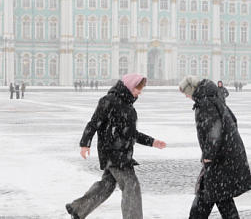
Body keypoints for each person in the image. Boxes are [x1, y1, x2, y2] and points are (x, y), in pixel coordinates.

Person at [66, 73, 166, 219]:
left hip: (120, 152)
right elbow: (93, 123)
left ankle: (78, 209)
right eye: (138, 88)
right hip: (114, 152)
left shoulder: (128, 106)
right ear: (130, 86)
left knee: (106, 185)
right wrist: (85, 144)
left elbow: (131, 133)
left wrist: (152, 142)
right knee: (131, 185)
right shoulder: (109, 101)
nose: (140, 92)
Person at [179, 75, 251, 219]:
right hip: (223, 157)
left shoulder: (205, 102)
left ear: (192, 90)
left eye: (186, 92)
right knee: (221, 199)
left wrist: (208, 156)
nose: (186, 96)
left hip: (218, 160)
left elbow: (214, 132)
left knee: (206, 200)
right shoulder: (213, 98)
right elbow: (232, 120)